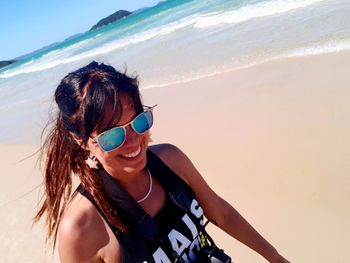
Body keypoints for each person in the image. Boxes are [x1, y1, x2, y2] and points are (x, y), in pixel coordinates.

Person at [35, 61, 289, 263]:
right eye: (113, 135)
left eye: (139, 122)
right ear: (81, 140)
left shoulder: (170, 161)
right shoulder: (81, 228)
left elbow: (221, 213)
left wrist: (275, 258)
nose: (134, 142)